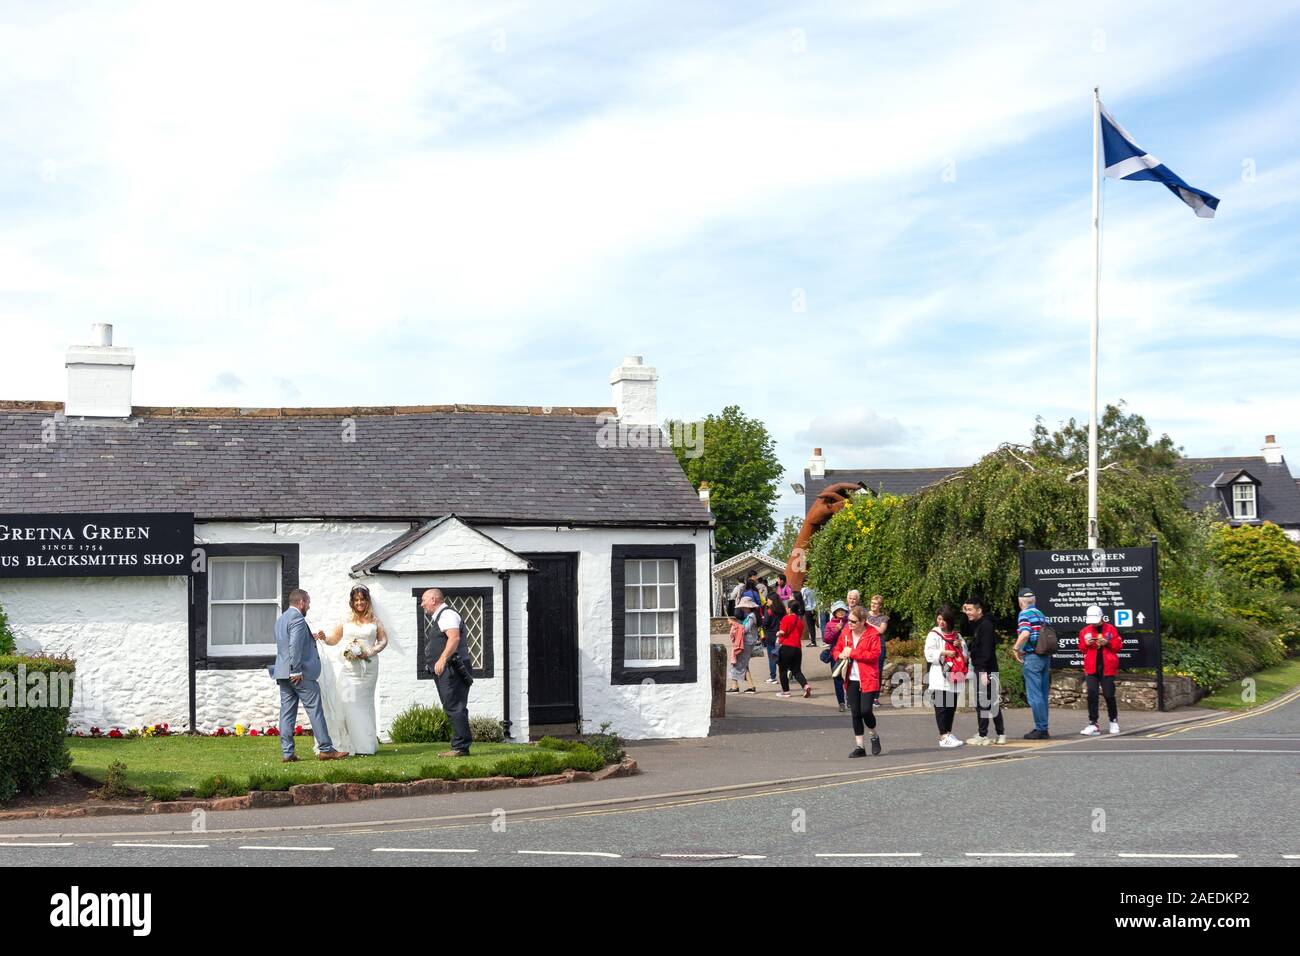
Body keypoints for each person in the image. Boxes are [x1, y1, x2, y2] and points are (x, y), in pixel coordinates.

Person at [269, 589, 348, 762]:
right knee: (315, 710)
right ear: (302, 602)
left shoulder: (281, 619)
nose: (309, 606)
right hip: (300, 674)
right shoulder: (297, 618)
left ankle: (287, 753)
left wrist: (309, 638)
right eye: (309, 602)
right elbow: (294, 647)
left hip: (282, 673)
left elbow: (287, 643)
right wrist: (296, 670)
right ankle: (326, 749)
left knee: (286, 713)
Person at [317, 585, 387, 756]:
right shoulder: (345, 620)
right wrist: (324, 637)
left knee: (363, 704)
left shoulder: (375, 621)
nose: (359, 603)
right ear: (352, 602)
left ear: (367, 601)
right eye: (356, 600)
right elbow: (334, 639)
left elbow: (383, 641)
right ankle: (349, 743)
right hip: (349, 669)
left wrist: (369, 651)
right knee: (347, 702)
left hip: (368, 668)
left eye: (362, 599)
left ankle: (366, 745)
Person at [420, 588, 473, 756]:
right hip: (448, 669)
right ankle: (459, 745)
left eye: (424, 601)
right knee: (452, 705)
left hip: (452, 668)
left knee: (455, 706)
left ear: (434, 600)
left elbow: (454, 637)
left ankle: (460, 747)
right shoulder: (442, 616)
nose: (422, 604)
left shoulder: (447, 615)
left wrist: (442, 659)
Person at [833, 605, 883, 757]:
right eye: (849, 621)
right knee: (855, 713)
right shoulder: (846, 632)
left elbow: (874, 655)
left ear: (863, 621)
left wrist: (853, 653)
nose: (850, 624)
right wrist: (839, 655)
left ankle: (874, 735)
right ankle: (860, 746)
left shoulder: (872, 634)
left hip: (868, 678)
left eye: (854, 622)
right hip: (851, 678)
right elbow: (836, 649)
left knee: (866, 710)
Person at [962, 596, 1006, 746]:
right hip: (986, 669)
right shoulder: (979, 624)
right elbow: (964, 629)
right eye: (966, 609)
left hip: (985, 669)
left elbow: (986, 651)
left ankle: (983, 735)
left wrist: (982, 671)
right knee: (991, 702)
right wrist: (964, 612)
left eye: (970, 609)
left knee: (984, 702)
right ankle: (1000, 734)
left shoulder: (985, 626)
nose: (967, 612)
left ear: (979, 610)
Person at [925, 604, 969, 748]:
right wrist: (944, 652)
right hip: (939, 675)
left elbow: (965, 655)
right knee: (941, 707)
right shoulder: (934, 634)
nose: (941, 622)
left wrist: (959, 646)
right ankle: (943, 735)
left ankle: (948, 733)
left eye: (944, 620)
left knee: (951, 706)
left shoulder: (957, 635)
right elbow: (929, 654)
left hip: (955, 675)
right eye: (939, 619)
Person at [1013, 587, 1052, 739]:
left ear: (1020, 602)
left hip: (1032, 656)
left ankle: (1040, 728)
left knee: (1034, 695)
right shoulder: (1041, 614)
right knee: (1042, 694)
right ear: (1034, 600)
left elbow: (1025, 633)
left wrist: (1016, 648)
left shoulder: (1024, 614)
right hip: (1045, 656)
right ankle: (1044, 727)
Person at [1078, 605, 1123, 735]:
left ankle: (1113, 721)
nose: (1094, 622)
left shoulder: (1111, 629)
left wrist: (1107, 643)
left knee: (1109, 695)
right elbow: (1081, 648)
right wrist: (1086, 644)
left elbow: (1118, 647)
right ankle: (1093, 723)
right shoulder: (1085, 630)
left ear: (1102, 617)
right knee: (1092, 695)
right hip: (1091, 667)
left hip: (1107, 666)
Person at [776, 595, 811, 698]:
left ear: (790, 609)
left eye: (787, 607)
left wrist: (777, 633)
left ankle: (786, 691)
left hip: (786, 647)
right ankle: (805, 685)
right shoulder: (800, 621)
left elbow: (782, 632)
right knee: (796, 670)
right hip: (797, 648)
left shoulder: (786, 618)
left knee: (783, 670)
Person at [727, 597, 760, 693]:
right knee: (744, 664)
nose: (742, 609)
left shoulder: (751, 616)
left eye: (743, 607)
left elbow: (745, 629)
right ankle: (750, 686)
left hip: (746, 642)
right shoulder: (751, 615)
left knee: (736, 663)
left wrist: (734, 624)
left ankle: (734, 687)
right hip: (748, 642)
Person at [822, 600, 850, 711]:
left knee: (849, 678)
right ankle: (841, 703)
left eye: (842, 610)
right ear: (834, 612)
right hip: (835, 655)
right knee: (837, 678)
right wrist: (836, 630)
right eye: (838, 610)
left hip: (848, 653)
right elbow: (827, 639)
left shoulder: (849, 622)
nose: (841, 612)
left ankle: (850, 700)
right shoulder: (830, 624)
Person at [865, 593, 889, 690]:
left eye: (876, 603)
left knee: (877, 671)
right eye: (872, 603)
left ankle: (875, 696)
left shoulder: (884, 618)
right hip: (866, 645)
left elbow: (881, 630)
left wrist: (868, 624)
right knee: (866, 670)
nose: (873, 605)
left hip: (879, 646)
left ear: (880, 606)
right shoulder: (865, 615)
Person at [761, 594, 783, 683]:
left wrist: (762, 624)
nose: (767, 601)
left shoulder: (769, 611)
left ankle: (773, 677)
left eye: (768, 600)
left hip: (770, 635)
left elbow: (765, 623)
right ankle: (785, 674)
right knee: (781, 656)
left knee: (772, 657)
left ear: (772, 600)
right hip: (780, 634)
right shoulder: (781, 610)